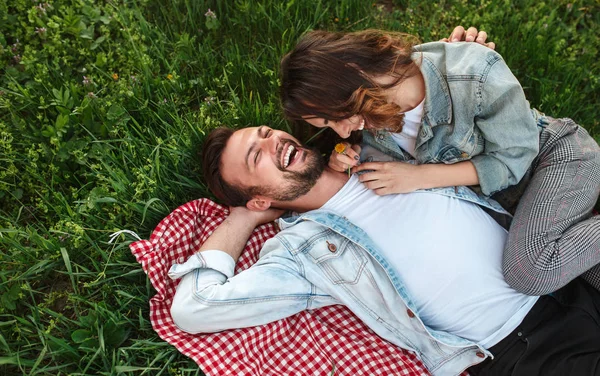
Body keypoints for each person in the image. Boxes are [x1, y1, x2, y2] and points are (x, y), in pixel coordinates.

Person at [169, 126, 600, 376]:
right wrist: (240, 220)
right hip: (529, 346)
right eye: (255, 156)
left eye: (266, 133)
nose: (273, 141)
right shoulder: (302, 252)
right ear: (259, 199)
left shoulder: (376, 145)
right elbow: (196, 308)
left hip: (565, 263)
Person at [279, 29, 600, 295]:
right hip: (517, 203)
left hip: (555, 160)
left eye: (333, 118)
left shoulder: (473, 73)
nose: (341, 130)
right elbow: (372, 158)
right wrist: (340, 157)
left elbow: (513, 159)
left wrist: (419, 177)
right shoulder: (373, 115)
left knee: (530, 273)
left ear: (354, 79)